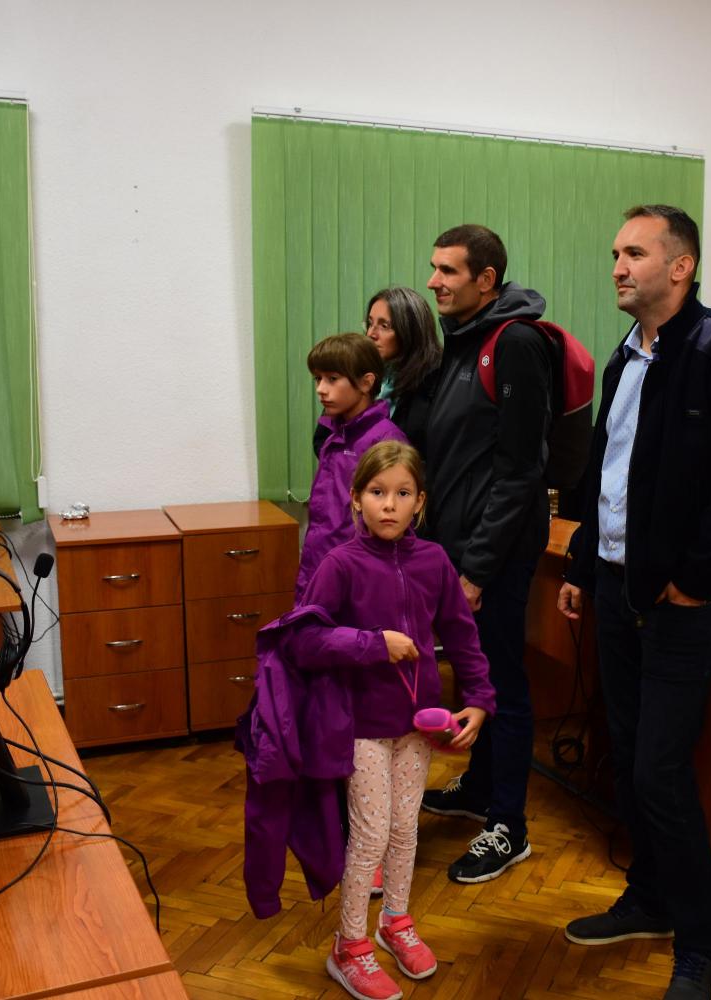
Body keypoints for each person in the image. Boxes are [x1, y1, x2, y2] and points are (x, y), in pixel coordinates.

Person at [557, 205, 711, 1000]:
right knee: (628, 755)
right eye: (615, 253)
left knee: (659, 769)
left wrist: (699, 576)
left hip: (682, 602)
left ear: (680, 266)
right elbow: (606, 472)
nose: (618, 267)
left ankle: (700, 947)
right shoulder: (626, 356)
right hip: (618, 587)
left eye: (635, 253)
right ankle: (649, 898)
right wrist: (583, 563)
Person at [261, 441, 496, 1000]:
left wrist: (479, 697)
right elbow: (303, 640)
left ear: (420, 502)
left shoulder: (434, 561)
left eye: (402, 493)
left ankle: (395, 921)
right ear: (355, 499)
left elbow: (462, 634)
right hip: (359, 726)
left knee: (404, 828)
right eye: (377, 492)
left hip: (418, 726)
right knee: (370, 833)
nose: (389, 504)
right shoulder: (339, 565)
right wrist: (372, 644)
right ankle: (348, 946)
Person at [418, 224, 553, 883]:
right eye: (434, 268)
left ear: (486, 279)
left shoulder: (516, 343)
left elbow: (520, 471)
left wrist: (476, 568)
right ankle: (479, 788)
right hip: (460, 546)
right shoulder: (465, 338)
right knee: (478, 680)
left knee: (503, 682)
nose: (433, 281)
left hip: (492, 553)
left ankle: (509, 826)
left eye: (448, 270)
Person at [296, 333, 406, 594]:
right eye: (318, 379)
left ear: (366, 382)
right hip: (319, 569)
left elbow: (392, 528)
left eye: (332, 379)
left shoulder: (385, 443)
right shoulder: (334, 435)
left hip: (357, 582)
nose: (321, 389)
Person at [365, 287, 441, 455]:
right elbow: (324, 436)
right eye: (370, 324)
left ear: (410, 332)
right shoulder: (361, 369)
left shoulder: (433, 381)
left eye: (384, 326)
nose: (371, 334)